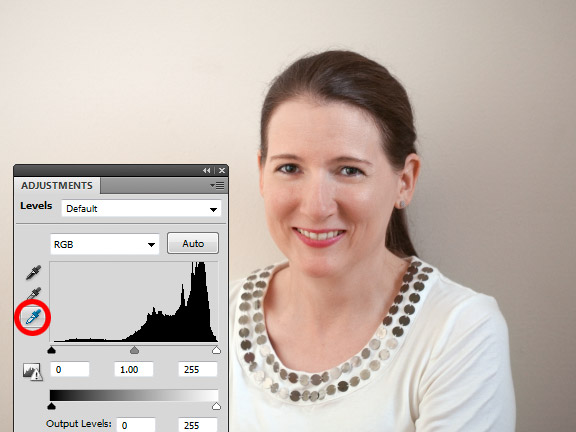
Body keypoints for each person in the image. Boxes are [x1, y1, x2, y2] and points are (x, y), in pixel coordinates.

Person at [230, 50, 515, 431]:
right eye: (290, 168)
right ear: (262, 174)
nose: (316, 207)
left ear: (405, 181)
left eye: (349, 170)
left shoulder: (460, 331)